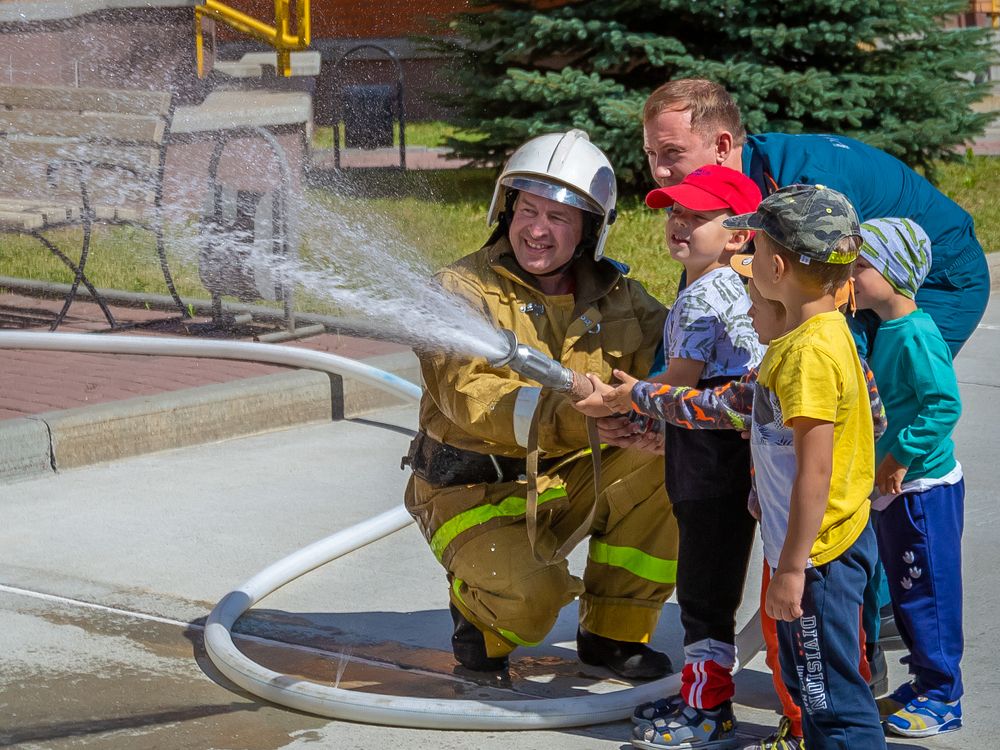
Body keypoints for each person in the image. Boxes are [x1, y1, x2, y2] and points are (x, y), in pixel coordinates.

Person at [402, 129, 679, 680]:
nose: (536, 230)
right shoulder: (458, 292)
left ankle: (613, 631)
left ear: (589, 230)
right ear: (505, 210)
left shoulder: (625, 300)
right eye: (527, 210)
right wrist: (583, 416)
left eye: (558, 218)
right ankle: (479, 614)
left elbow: (678, 363)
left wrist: (665, 419)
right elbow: (471, 398)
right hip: (471, 491)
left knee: (674, 461)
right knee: (530, 607)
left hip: (569, 475)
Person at [591, 277, 885, 750]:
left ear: (785, 289)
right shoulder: (814, 344)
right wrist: (638, 396)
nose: (745, 317)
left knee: (831, 702)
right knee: (811, 686)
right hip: (819, 546)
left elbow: (814, 469)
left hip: (816, 556)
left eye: (751, 305)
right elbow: (870, 416)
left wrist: (791, 568)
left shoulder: (804, 361)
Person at [575, 164, 764, 748]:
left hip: (711, 463)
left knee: (705, 592)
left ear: (738, 234)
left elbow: (680, 384)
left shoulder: (702, 294)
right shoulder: (740, 284)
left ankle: (708, 714)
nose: (679, 224)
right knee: (720, 582)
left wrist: (619, 398)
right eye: (673, 212)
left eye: (697, 216)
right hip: (741, 451)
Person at [640, 77, 988, 358]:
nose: (660, 171)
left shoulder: (807, 187)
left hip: (940, 276)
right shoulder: (700, 195)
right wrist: (651, 403)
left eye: (672, 152)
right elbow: (699, 299)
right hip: (861, 281)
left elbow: (831, 307)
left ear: (721, 146)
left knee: (873, 410)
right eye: (651, 153)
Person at [851, 217, 965, 738]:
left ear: (894, 274)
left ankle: (944, 694)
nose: (849, 274)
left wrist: (897, 458)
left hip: (922, 492)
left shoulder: (915, 333)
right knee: (903, 587)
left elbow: (943, 405)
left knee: (928, 594)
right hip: (896, 490)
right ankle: (923, 681)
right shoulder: (888, 329)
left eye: (861, 264)